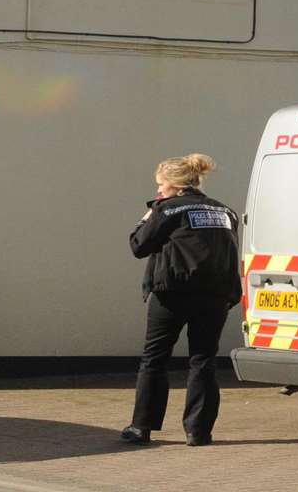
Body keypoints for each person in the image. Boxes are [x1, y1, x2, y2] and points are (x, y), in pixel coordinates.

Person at [122, 153, 241, 447]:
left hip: (172, 294)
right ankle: (198, 431)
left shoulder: (168, 210)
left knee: (154, 360)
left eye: (160, 186)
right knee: (203, 362)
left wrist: (149, 214)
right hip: (215, 296)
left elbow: (138, 245)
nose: (158, 192)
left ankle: (141, 427)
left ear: (174, 185)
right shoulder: (225, 211)